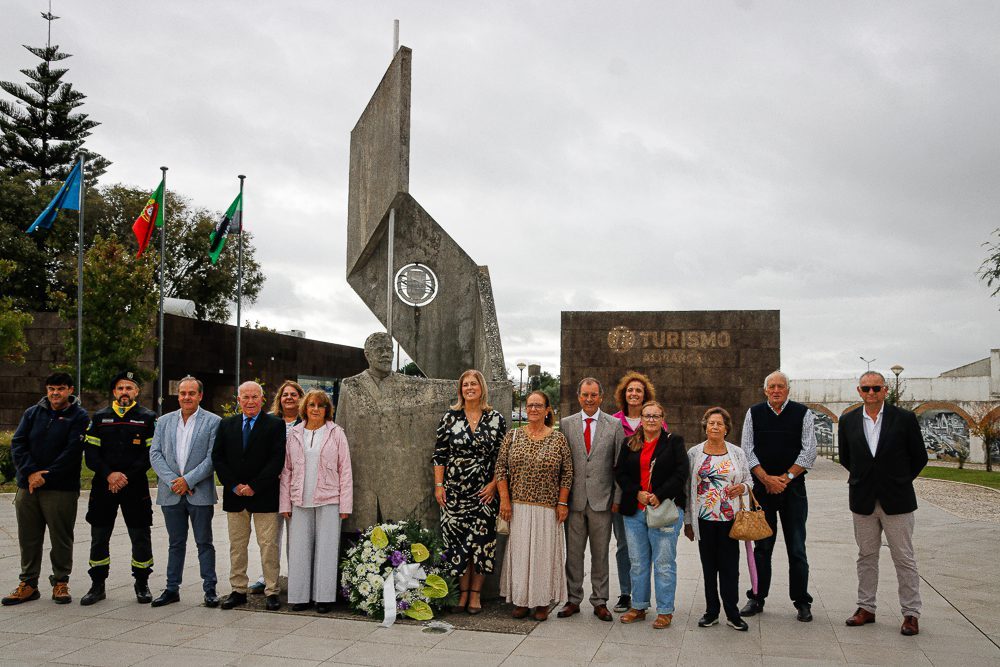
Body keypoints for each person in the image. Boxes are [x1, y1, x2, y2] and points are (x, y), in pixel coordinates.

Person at [336, 332, 456, 531]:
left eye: (389, 350)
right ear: (367, 354)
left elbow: (441, 390)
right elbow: (340, 434)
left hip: (398, 478)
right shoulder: (351, 386)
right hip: (362, 477)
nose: (386, 355)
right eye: (380, 350)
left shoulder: (406, 384)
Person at [839, 371, 928, 636]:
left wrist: (898, 480)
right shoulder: (848, 421)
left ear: (885, 390)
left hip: (897, 500)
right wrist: (866, 478)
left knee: (904, 558)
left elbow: (919, 457)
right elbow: (846, 458)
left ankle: (911, 613)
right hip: (863, 499)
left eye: (876, 388)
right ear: (859, 391)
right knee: (866, 556)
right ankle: (866, 608)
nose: (871, 393)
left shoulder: (904, 419)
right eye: (866, 389)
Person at [3, 373, 89, 606]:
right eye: (51, 388)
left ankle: (60, 581)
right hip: (28, 487)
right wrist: (31, 473)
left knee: (61, 537)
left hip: (60, 489)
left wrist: (45, 476)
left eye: (60, 389)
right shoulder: (32, 413)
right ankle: (28, 584)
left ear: (70, 390)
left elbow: (72, 452)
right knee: (28, 538)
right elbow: (18, 443)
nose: (55, 393)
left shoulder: (79, 416)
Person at [739, 370, 817, 622]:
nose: (776, 390)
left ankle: (802, 601)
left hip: (793, 489)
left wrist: (786, 478)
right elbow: (747, 450)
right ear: (765, 390)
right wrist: (765, 478)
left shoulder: (802, 413)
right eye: (771, 386)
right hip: (762, 491)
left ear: (787, 390)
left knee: (797, 548)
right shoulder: (754, 413)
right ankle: (757, 597)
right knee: (762, 547)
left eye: (780, 386)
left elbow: (809, 452)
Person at [80, 371, 158, 606]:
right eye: (120, 388)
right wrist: (109, 475)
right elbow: (91, 455)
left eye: (129, 388)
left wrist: (125, 477)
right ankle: (97, 585)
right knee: (99, 536)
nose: (125, 392)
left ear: (137, 392)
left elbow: (150, 455)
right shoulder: (100, 417)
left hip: (135, 487)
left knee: (140, 536)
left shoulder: (147, 418)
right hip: (104, 486)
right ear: (114, 392)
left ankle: (142, 584)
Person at [433, 369, 507, 615]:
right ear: (460, 389)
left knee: (482, 544)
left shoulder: (495, 418)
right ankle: (462, 592)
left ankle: (475, 594)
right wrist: (439, 486)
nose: (469, 388)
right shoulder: (450, 417)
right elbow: (439, 455)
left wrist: (494, 485)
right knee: (457, 544)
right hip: (454, 492)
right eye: (465, 385)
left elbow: (502, 458)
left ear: (482, 387)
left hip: (484, 493)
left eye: (474, 384)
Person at [497, 390, 573, 621]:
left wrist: (562, 502)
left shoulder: (558, 438)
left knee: (542, 556)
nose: (533, 409)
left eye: (538, 405)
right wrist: (505, 500)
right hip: (518, 506)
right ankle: (521, 600)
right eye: (530, 405)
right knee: (520, 556)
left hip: (547, 508)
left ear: (547, 410)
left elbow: (567, 472)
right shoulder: (513, 436)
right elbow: (500, 468)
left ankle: (541, 602)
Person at [212, 381, 286, 611]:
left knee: (268, 545)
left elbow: (276, 460)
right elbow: (218, 458)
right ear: (239, 400)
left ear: (262, 399)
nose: (250, 401)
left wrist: (254, 485)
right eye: (246, 397)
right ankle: (238, 590)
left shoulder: (275, 425)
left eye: (255, 397)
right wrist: (234, 485)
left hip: (264, 496)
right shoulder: (226, 425)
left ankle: (272, 590)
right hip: (235, 497)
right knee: (237, 545)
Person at [148, 376, 222, 608]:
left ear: (200, 395)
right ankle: (172, 589)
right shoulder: (164, 421)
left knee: (204, 542)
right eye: (183, 393)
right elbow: (155, 454)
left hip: (198, 492)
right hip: (171, 493)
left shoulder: (213, 422)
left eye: (191, 393)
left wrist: (188, 481)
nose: (186, 397)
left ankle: (210, 589)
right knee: (175, 543)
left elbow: (212, 458)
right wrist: (174, 482)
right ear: (178, 395)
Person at [614, 400, 686, 629]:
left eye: (656, 416)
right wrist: (637, 493)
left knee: (664, 563)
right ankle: (639, 606)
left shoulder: (674, 442)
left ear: (662, 419)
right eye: (647, 416)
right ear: (641, 419)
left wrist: (658, 495)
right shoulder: (630, 443)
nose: (651, 420)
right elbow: (620, 473)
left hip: (663, 510)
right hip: (635, 511)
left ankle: (665, 611)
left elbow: (681, 473)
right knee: (637, 562)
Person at [557, 377, 625, 622]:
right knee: (573, 555)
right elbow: (562, 463)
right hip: (574, 501)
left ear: (601, 397)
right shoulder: (566, 424)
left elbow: (619, 465)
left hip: (602, 501)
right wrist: (561, 500)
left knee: (600, 554)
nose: (589, 399)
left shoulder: (614, 425)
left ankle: (600, 600)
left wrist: (616, 497)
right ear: (578, 397)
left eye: (593, 395)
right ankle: (573, 599)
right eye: (585, 394)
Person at [280, 389, 352, 613]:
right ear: (305, 408)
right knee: (299, 549)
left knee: (327, 549)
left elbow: (345, 470)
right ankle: (301, 597)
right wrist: (284, 504)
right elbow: (286, 470)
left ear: (327, 410)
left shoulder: (336, 433)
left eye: (320, 406)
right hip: (299, 499)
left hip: (329, 499)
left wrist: (345, 505)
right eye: (311, 405)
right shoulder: (294, 433)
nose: (315, 409)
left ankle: (323, 598)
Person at [683, 407, 753, 631]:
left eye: (719, 424)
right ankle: (711, 611)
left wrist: (741, 487)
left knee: (730, 568)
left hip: (730, 519)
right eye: (711, 423)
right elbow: (687, 489)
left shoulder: (737, 453)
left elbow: (750, 481)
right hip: (703, 520)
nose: (714, 427)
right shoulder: (694, 453)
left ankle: (732, 613)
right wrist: (688, 521)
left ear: (726, 428)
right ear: (705, 427)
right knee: (709, 567)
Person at [610, 370, 661, 613]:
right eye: (630, 390)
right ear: (624, 394)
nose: (634, 393)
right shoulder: (613, 422)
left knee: (646, 547)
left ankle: (642, 593)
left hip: (649, 497)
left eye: (638, 390)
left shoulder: (653, 420)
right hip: (624, 495)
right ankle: (625, 593)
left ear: (645, 395)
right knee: (623, 546)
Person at [248, 379, 304, 596]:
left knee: (296, 536)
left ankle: (297, 576)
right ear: (279, 399)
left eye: (294, 394)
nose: (289, 398)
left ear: (301, 398)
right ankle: (267, 577)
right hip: (271, 486)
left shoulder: (307, 423)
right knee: (270, 537)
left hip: (297, 487)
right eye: (285, 394)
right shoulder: (268, 422)